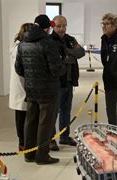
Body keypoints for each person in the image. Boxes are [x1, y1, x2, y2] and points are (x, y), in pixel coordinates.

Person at [15, 15, 66, 165]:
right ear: (47, 27)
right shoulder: (47, 43)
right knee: (45, 123)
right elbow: (56, 69)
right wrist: (63, 65)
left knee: (30, 122)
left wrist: (31, 77)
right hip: (48, 91)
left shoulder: (23, 43)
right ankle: (42, 156)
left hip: (30, 90)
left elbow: (19, 69)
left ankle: (29, 154)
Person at [50, 15, 85, 150]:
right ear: (53, 25)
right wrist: (71, 54)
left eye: (64, 26)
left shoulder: (70, 39)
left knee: (66, 111)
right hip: (56, 82)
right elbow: (57, 60)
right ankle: (51, 139)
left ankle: (64, 137)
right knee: (53, 113)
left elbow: (81, 52)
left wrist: (66, 52)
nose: (62, 29)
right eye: (59, 26)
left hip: (69, 81)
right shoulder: (49, 40)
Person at [9, 23, 33, 151]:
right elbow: (23, 68)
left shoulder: (17, 46)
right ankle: (23, 143)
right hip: (22, 84)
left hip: (21, 85)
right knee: (22, 116)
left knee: (22, 115)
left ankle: (23, 142)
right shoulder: (20, 47)